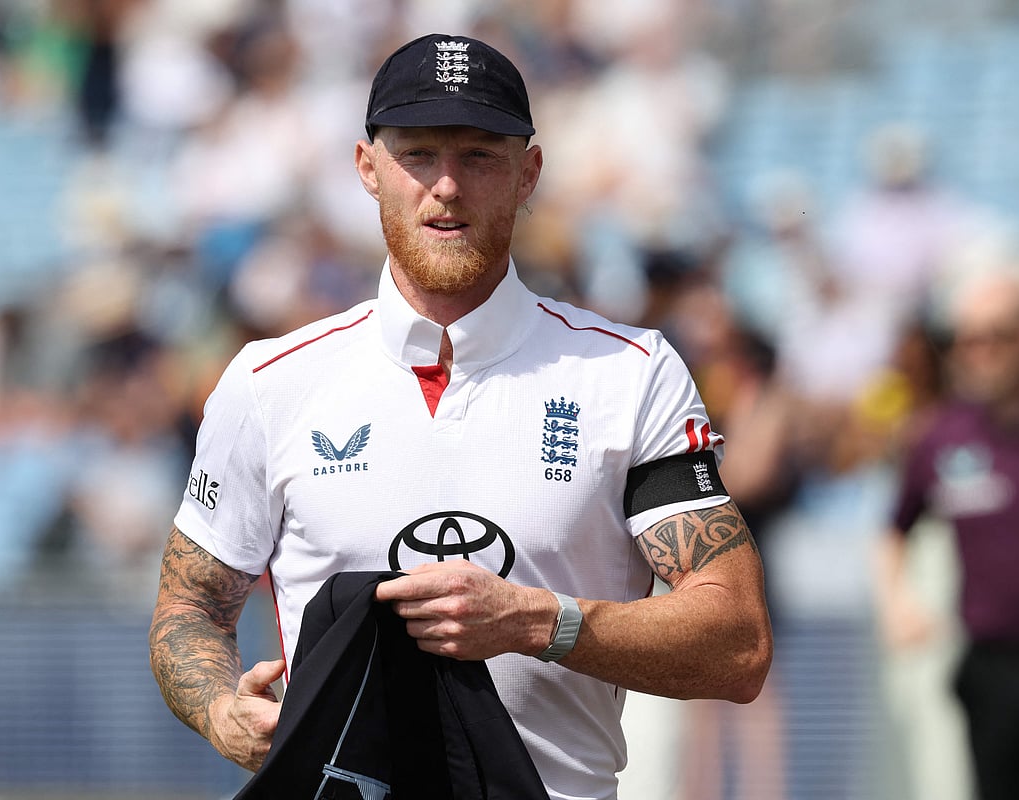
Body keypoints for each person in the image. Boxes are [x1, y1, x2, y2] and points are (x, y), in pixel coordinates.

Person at [149, 33, 772, 800]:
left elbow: (737, 643)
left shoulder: (631, 374)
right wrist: (219, 711)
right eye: (418, 154)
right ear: (366, 169)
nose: (446, 186)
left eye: (479, 155)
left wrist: (539, 622)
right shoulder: (268, 382)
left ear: (528, 174)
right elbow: (189, 604)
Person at [875, 270, 1019, 800]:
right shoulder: (942, 438)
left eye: (997, 336)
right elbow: (893, 529)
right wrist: (898, 601)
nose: (981, 352)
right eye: (967, 340)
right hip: (988, 668)